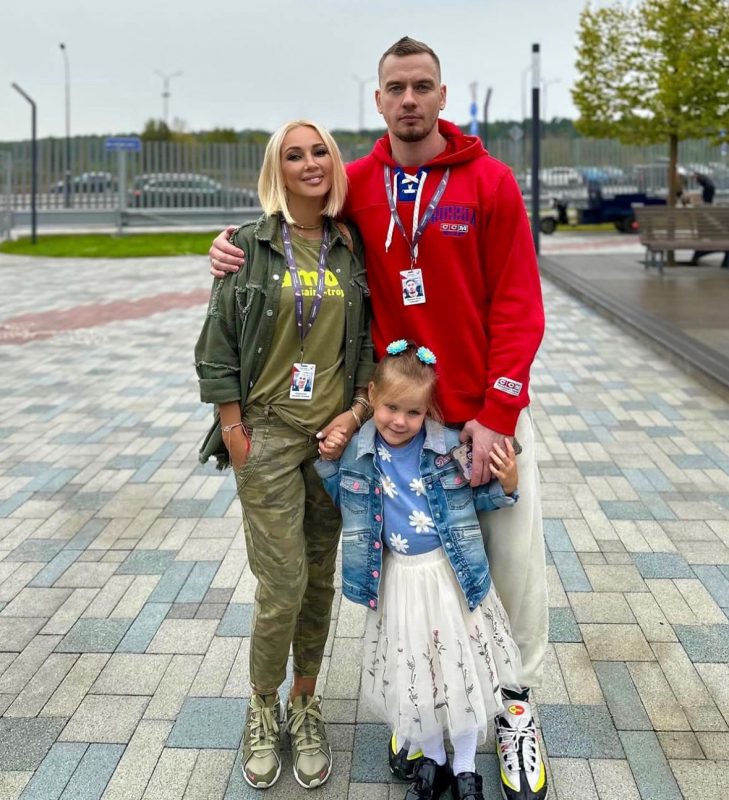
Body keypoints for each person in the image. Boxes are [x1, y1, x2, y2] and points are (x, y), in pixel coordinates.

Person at [208, 36, 548, 800]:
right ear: (378, 99)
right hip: (400, 427)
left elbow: (519, 305)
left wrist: (498, 414)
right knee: (413, 577)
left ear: (441, 95)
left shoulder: (489, 183)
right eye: (396, 87)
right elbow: (289, 218)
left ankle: (514, 708)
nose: (409, 99)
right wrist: (226, 248)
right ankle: (420, 708)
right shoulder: (358, 183)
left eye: (421, 86)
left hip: (482, 422)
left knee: (508, 571)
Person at [195, 119, 374, 790]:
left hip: (330, 441)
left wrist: (355, 414)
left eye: (319, 151)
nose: (309, 163)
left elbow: (364, 346)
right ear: (278, 169)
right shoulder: (247, 245)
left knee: (320, 579)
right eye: (294, 155)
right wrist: (234, 430)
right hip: (266, 436)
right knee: (284, 584)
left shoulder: (349, 246)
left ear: (334, 162)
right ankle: (262, 705)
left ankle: (306, 701)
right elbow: (216, 345)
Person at [315, 342, 524, 800]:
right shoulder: (358, 455)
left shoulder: (447, 450)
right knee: (417, 677)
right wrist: (329, 459)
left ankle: (465, 768)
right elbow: (346, 500)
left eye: (413, 412)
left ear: (427, 410)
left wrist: (508, 482)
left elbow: (480, 497)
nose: (399, 420)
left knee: (457, 673)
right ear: (372, 396)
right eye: (391, 407)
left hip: (450, 581)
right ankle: (435, 761)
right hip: (400, 584)